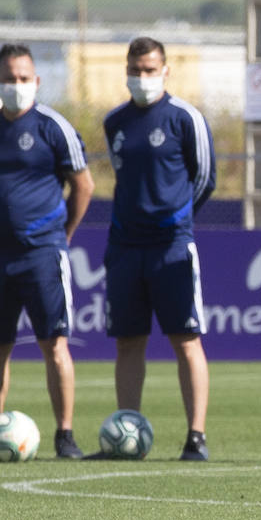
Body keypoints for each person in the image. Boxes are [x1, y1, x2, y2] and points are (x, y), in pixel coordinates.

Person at [0, 43, 94, 459]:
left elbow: (84, 186)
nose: (15, 85)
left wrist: (61, 235)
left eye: (23, 78)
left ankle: (65, 436)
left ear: (36, 81)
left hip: (43, 253)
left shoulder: (54, 127)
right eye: (8, 79)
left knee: (54, 344)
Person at [102, 36, 217, 461]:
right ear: (127, 71)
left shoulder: (185, 118)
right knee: (128, 342)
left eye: (150, 70)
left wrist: (174, 219)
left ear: (165, 71)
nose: (142, 77)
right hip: (125, 247)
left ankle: (196, 437)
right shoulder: (114, 122)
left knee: (185, 340)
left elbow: (205, 178)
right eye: (135, 70)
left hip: (172, 247)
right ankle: (127, 431)